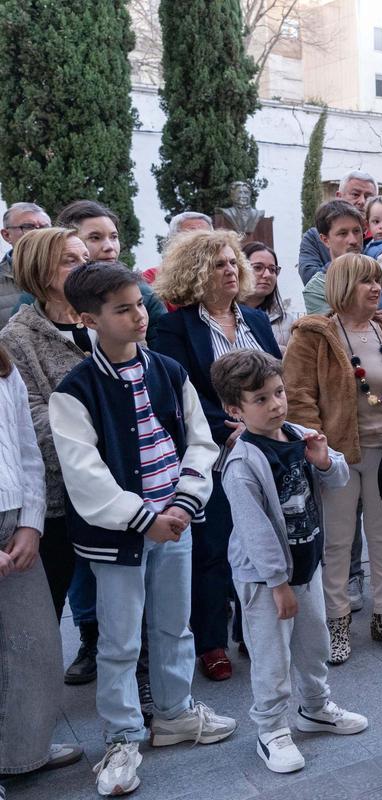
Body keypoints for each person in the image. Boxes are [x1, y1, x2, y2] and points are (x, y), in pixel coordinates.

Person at [49, 263, 233, 797]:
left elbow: (199, 441)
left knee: (176, 625)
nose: (139, 317)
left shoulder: (169, 371)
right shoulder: (75, 390)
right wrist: (143, 519)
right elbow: (85, 474)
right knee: (119, 639)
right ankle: (123, 734)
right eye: (122, 309)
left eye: (139, 304)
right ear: (88, 319)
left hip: (174, 523)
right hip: (121, 536)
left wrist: (181, 502)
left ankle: (174, 712)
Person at [211, 350, 369, 773]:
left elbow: (335, 477)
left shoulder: (296, 434)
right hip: (265, 581)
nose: (276, 404)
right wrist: (277, 585)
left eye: (278, 393)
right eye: (260, 399)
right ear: (234, 410)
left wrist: (324, 460)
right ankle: (271, 730)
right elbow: (254, 531)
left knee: (313, 642)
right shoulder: (242, 462)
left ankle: (315, 708)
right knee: (271, 656)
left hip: (306, 563)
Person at [153, 230, 283, 682]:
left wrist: (267, 423)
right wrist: (230, 427)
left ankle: (252, 629)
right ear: (194, 273)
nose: (229, 270)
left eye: (232, 263)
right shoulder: (173, 327)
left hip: (264, 449)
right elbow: (177, 392)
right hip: (213, 450)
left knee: (261, 539)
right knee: (214, 549)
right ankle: (211, 642)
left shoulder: (256, 319)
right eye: (217, 264)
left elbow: (274, 378)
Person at [284, 253, 382, 661]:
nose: (376, 287)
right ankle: (338, 623)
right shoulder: (314, 335)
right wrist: (319, 446)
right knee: (339, 543)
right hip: (339, 456)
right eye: (366, 280)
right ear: (343, 286)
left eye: (377, 280)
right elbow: (298, 397)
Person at [1, 228, 95, 646]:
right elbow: (33, 417)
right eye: (70, 261)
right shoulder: (16, 338)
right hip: (59, 491)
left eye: (86, 260)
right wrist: (100, 440)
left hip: (121, 484)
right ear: (41, 272)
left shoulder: (108, 319)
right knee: (51, 600)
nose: (83, 268)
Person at [0, 341, 85, 783]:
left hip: (13, 523)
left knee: (33, 647)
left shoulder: (4, 368)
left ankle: (22, 748)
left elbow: (26, 450)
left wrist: (31, 522)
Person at [55, 201, 168, 346]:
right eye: (95, 237)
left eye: (114, 237)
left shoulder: (144, 294)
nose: (109, 247)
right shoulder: (44, 298)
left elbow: (165, 360)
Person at [299, 170, 376, 284]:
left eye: (368, 197)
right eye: (355, 194)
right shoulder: (313, 237)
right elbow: (310, 279)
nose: (362, 201)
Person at [302, 200, 366, 315]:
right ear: (325, 240)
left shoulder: (377, 274)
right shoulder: (317, 288)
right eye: (343, 233)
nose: (353, 240)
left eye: (357, 231)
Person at [0, 202, 51, 326]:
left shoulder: (68, 272)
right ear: (6, 235)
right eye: (28, 227)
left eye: (44, 227)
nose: (39, 233)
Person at [243, 242, 301, 351]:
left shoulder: (289, 323)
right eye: (258, 267)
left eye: (272, 269)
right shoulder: (225, 317)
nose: (267, 275)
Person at [139, 212, 214, 289]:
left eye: (206, 236)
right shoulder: (151, 278)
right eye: (191, 236)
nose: (200, 242)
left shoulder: (224, 273)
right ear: (174, 241)